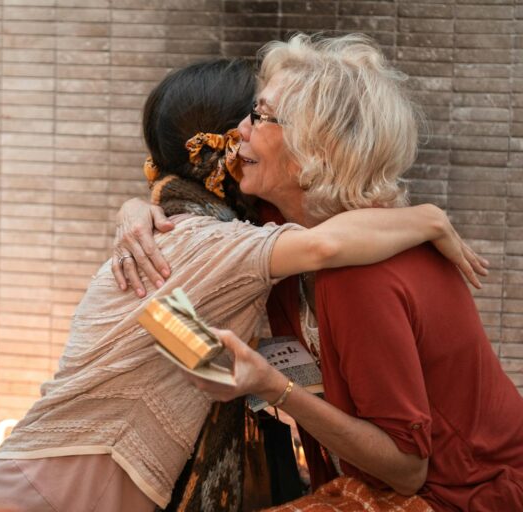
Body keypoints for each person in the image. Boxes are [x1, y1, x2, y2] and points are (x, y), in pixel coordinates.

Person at [0, 58, 484, 512]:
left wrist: (138, 206)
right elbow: (323, 245)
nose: (253, 128)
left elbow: (189, 352)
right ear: (225, 149)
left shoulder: (194, 242)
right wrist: (431, 217)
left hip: (54, 482)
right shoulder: (210, 245)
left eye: (263, 116)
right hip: (49, 493)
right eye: (251, 115)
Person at [113, 34, 523, 511]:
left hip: (461, 495)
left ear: (316, 150)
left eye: (261, 117)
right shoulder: (278, 225)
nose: (238, 131)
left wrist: (271, 386)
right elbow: (184, 259)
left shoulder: (360, 273)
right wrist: (136, 212)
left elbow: (408, 471)